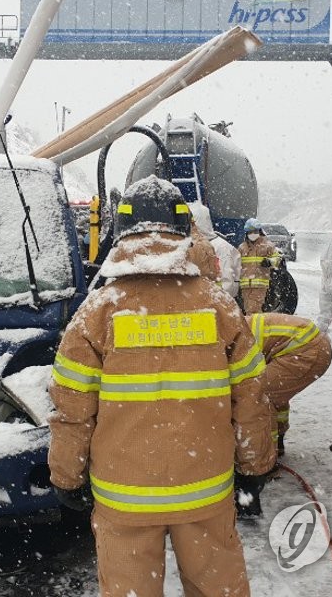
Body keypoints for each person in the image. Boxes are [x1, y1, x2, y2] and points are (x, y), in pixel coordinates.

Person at [48, 176, 275, 597]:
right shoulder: (219, 305)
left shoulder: (96, 312)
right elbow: (251, 398)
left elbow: (71, 409)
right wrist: (255, 466)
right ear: (183, 227)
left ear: (121, 228)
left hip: (124, 496)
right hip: (205, 490)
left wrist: (67, 475)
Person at [247, 313, 332, 457]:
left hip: (307, 350)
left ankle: (265, 458)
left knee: (258, 397)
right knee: (275, 393)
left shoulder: (229, 338)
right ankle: (277, 443)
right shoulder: (234, 325)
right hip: (312, 345)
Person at [189, 202, 241, 298]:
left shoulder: (221, 247)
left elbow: (227, 282)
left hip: (217, 299)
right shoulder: (195, 245)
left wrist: (219, 299)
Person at [237, 218, 280, 315]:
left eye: (255, 231)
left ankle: (254, 329)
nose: (252, 234)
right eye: (250, 232)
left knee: (254, 311)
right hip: (245, 286)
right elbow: (236, 264)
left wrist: (270, 261)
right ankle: (254, 328)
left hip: (260, 284)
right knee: (249, 310)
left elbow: (277, 258)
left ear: (259, 231)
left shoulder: (267, 246)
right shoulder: (242, 247)